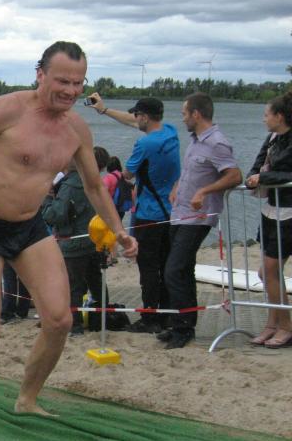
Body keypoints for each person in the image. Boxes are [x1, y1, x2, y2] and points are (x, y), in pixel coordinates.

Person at [0, 41, 137, 415]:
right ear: (40, 74)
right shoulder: (9, 110)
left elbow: (93, 186)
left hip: (30, 228)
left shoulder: (76, 129)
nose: (71, 91)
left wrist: (118, 229)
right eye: (63, 81)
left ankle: (27, 399)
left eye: (78, 83)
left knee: (59, 321)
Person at [87, 93, 180, 333]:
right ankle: (167, 314)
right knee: (165, 265)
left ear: (145, 117)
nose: (135, 118)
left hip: (148, 213)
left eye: (137, 115)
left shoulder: (144, 144)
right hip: (170, 211)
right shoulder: (171, 132)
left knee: (148, 268)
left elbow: (128, 174)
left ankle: (149, 317)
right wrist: (104, 110)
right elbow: (131, 121)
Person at [158, 93, 243, 349]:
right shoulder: (195, 141)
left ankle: (183, 328)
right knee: (182, 270)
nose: (183, 118)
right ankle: (182, 324)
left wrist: (204, 191)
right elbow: (192, 172)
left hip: (199, 217)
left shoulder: (217, 142)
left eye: (185, 113)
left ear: (196, 114)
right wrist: (177, 186)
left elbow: (234, 176)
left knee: (174, 270)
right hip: (180, 213)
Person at [244, 91, 292, 348]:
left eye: (266, 114)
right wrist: (254, 177)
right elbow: (258, 164)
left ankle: (285, 326)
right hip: (271, 208)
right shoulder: (273, 138)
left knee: (269, 270)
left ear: (279, 116)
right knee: (267, 272)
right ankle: (272, 323)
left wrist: (263, 177)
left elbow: (285, 173)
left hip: (289, 211)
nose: (264, 119)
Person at [42, 159, 104, 335]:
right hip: (92, 238)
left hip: (74, 242)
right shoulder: (91, 180)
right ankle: (102, 318)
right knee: (96, 281)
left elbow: (55, 215)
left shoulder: (69, 186)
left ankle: (75, 325)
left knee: (74, 285)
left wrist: (47, 198)